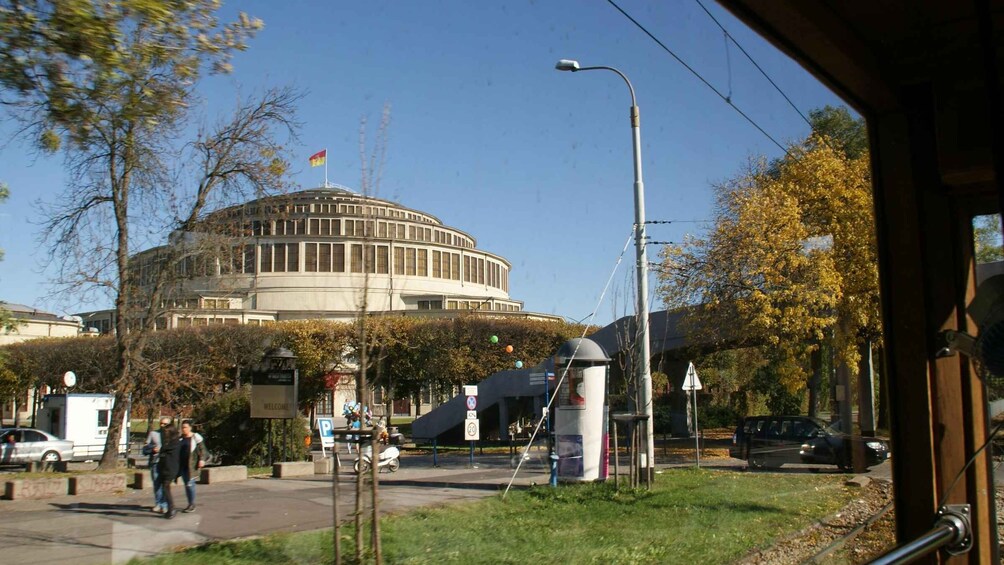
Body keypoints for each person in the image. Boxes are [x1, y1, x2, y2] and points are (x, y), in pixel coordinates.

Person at [142, 418, 171, 513]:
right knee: (157, 484)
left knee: (165, 484)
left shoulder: (172, 435)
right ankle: (158, 503)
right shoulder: (153, 434)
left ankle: (165, 504)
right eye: (161, 423)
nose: (163, 425)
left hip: (167, 463)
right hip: (156, 462)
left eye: (165, 424)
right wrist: (152, 449)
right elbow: (145, 449)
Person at [178, 421, 205, 513]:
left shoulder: (195, 437)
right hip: (182, 465)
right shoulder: (180, 438)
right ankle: (190, 503)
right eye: (182, 428)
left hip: (192, 465)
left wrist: (202, 459)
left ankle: (192, 504)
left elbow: (202, 449)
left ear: (190, 428)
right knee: (187, 485)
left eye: (185, 427)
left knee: (190, 484)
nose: (183, 429)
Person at [157, 423, 181, 519]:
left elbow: (164, 450)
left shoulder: (175, 442)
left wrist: (162, 449)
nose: (165, 434)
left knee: (166, 487)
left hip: (170, 468)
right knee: (165, 488)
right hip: (165, 467)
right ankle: (169, 507)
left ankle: (171, 508)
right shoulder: (170, 442)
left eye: (167, 432)